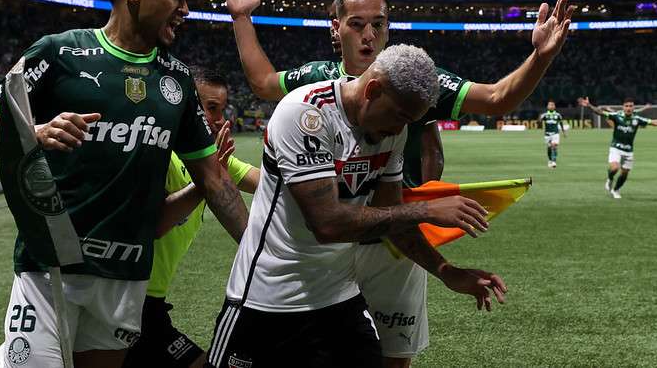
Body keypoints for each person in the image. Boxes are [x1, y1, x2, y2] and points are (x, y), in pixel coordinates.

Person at [225, 0, 572, 367]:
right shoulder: (311, 93)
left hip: (394, 238)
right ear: (335, 28)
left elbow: (497, 98)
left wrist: (540, 57)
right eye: (356, 24)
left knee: (390, 355)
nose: (369, 34)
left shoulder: (418, 82)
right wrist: (241, 17)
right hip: (322, 249)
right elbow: (263, 83)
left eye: (379, 23)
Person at [0, 0, 248, 368]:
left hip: (125, 275)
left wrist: (258, 252)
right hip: (49, 268)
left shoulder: (178, 80)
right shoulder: (57, 52)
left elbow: (215, 178)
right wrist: (35, 131)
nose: (185, 8)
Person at [207, 45, 506, 368]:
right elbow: (327, 223)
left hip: (339, 296)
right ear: (374, 90)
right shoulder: (305, 113)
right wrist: (426, 210)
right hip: (266, 300)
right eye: (400, 117)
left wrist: (446, 271)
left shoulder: (392, 130)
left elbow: (391, 219)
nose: (399, 129)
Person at [123, 66, 259, 368]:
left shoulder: (211, 160)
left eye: (222, 109)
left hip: (149, 303)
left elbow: (269, 183)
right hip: (127, 299)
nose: (219, 119)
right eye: (210, 108)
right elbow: (152, 225)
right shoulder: (156, 153)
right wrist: (206, 181)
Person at [579, 96, 657, 199]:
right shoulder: (616, 116)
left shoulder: (637, 119)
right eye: (626, 106)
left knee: (624, 174)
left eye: (630, 106)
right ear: (623, 107)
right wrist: (590, 105)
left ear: (633, 107)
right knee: (614, 168)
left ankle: (616, 190)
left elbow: (654, 122)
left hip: (628, 151)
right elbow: (600, 112)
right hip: (616, 148)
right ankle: (610, 179)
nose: (628, 108)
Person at [538, 100, 566, 168]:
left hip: (555, 133)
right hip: (547, 134)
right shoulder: (545, 115)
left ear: (554, 106)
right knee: (549, 148)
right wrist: (539, 118)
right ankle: (550, 160)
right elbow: (538, 123)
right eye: (549, 105)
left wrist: (563, 132)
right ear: (547, 106)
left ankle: (554, 161)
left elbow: (561, 123)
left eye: (552, 105)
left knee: (554, 146)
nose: (551, 106)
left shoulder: (558, 115)